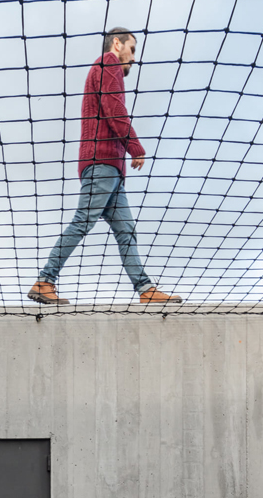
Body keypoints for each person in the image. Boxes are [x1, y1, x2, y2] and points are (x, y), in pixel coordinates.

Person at [28, 28, 182, 306]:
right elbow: (114, 108)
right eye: (132, 49)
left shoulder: (100, 68)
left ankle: (145, 289)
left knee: (126, 231)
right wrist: (134, 145)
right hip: (102, 164)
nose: (133, 58)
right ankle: (45, 280)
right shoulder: (108, 63)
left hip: (108, 168)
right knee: (83, 221)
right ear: (117, 44)